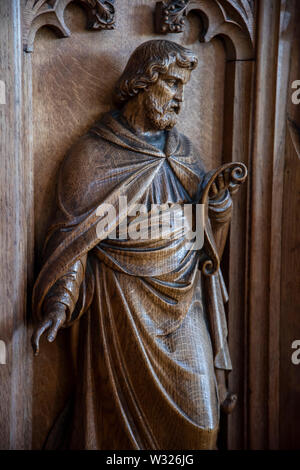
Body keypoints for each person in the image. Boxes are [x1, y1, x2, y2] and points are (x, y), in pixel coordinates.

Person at [31, 39, 239, 450]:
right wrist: (59, 303)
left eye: (184, 89)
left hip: (183, 304)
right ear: (144, 83)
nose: (180, 99)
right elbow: (74, 242)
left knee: (202, 426)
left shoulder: (183, 152)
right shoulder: (92, 156)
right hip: (121, 307)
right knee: (116, 432)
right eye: (173, 86)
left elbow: (205, 236)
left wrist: (218, 205)